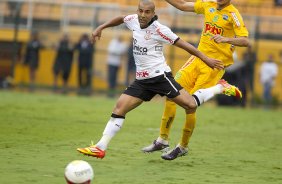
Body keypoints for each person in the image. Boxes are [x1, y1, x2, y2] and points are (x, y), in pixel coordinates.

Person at [77, 0, 241, 159]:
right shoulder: (133, 20)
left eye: (147, 12)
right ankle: (100, 147)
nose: (142, 15)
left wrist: (206, 59)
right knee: (119, 108)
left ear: (153, 13)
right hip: (142, 81)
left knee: (190, 104)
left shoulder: (160, 30)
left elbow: (184, 45)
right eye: (140, 11)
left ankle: (219, 88)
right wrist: (101, 27)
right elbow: (120, 18)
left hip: (160, 77)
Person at [142, 0, 250, 160]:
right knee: (171, 93)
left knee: (190, 104)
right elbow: (183, 5)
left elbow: (245, 40)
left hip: (214, 66)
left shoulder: (233, 15)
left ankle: (182, 146)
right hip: (198, 58)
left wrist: (226, 39)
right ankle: (162, 140)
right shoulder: (208, 5)